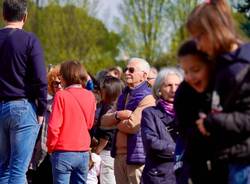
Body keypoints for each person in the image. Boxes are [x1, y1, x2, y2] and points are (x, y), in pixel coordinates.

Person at [186, 0, 250, 183]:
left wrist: (212, 122)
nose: (198, 45)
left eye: (199, 37)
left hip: (244, 164)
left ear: (213, 31)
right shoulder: (222, 66)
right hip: (227, 162)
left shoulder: (242, 67)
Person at [0, 0, 47, 183]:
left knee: (2, 169)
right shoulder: (29, 40)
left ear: (4, 15)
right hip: (22, 105)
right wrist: (42, 110)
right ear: (25, 17)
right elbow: (41, 79)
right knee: (18, 170)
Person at [175, 40, 228, 184]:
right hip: (198, 163)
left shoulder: (223, 84)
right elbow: (184, 127)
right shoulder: (183, 93)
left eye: (196, 70)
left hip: (228, 162)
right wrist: (200, 129)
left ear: (210, 65)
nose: (190, 76)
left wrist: (214, 124)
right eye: (185, 71)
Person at [101, 57, 155, 184]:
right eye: (126, 69)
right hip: (118, 156)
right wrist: (120, 114)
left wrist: (115, 121)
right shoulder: (123, 95)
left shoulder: (148, 97)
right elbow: (103, 122)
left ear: (144, 75)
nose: (126, 73)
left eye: (131, 70)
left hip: (136, 158)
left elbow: (133, 126)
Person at [47, 61, 96, 184]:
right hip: (83, 151)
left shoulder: (61, 95)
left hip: (63, 151)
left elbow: (54, 126)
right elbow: (90, 124)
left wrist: (50, 147)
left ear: (64, 76)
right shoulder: (90, 96)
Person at [141, 67, 182, 184]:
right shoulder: (149, 113)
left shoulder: (188, 112)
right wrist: (182, 150)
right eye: (168, 85)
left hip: (184, 174)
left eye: (177, 85)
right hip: (159, 176)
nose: (173, 89)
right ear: (159, 89)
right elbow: (152, 143)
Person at [28, 65, 62, 184]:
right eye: (56, 83)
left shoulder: (70, 105)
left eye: (62, 83)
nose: (59, 86)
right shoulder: (45, 104)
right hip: (41, 154)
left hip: (60, 154)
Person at [92, 76, 124, 184]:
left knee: (107, 179)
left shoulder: (107, 108)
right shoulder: (119, 106)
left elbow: (106, 135)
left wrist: (97, 151)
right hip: (116, 151)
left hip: (107, 152)